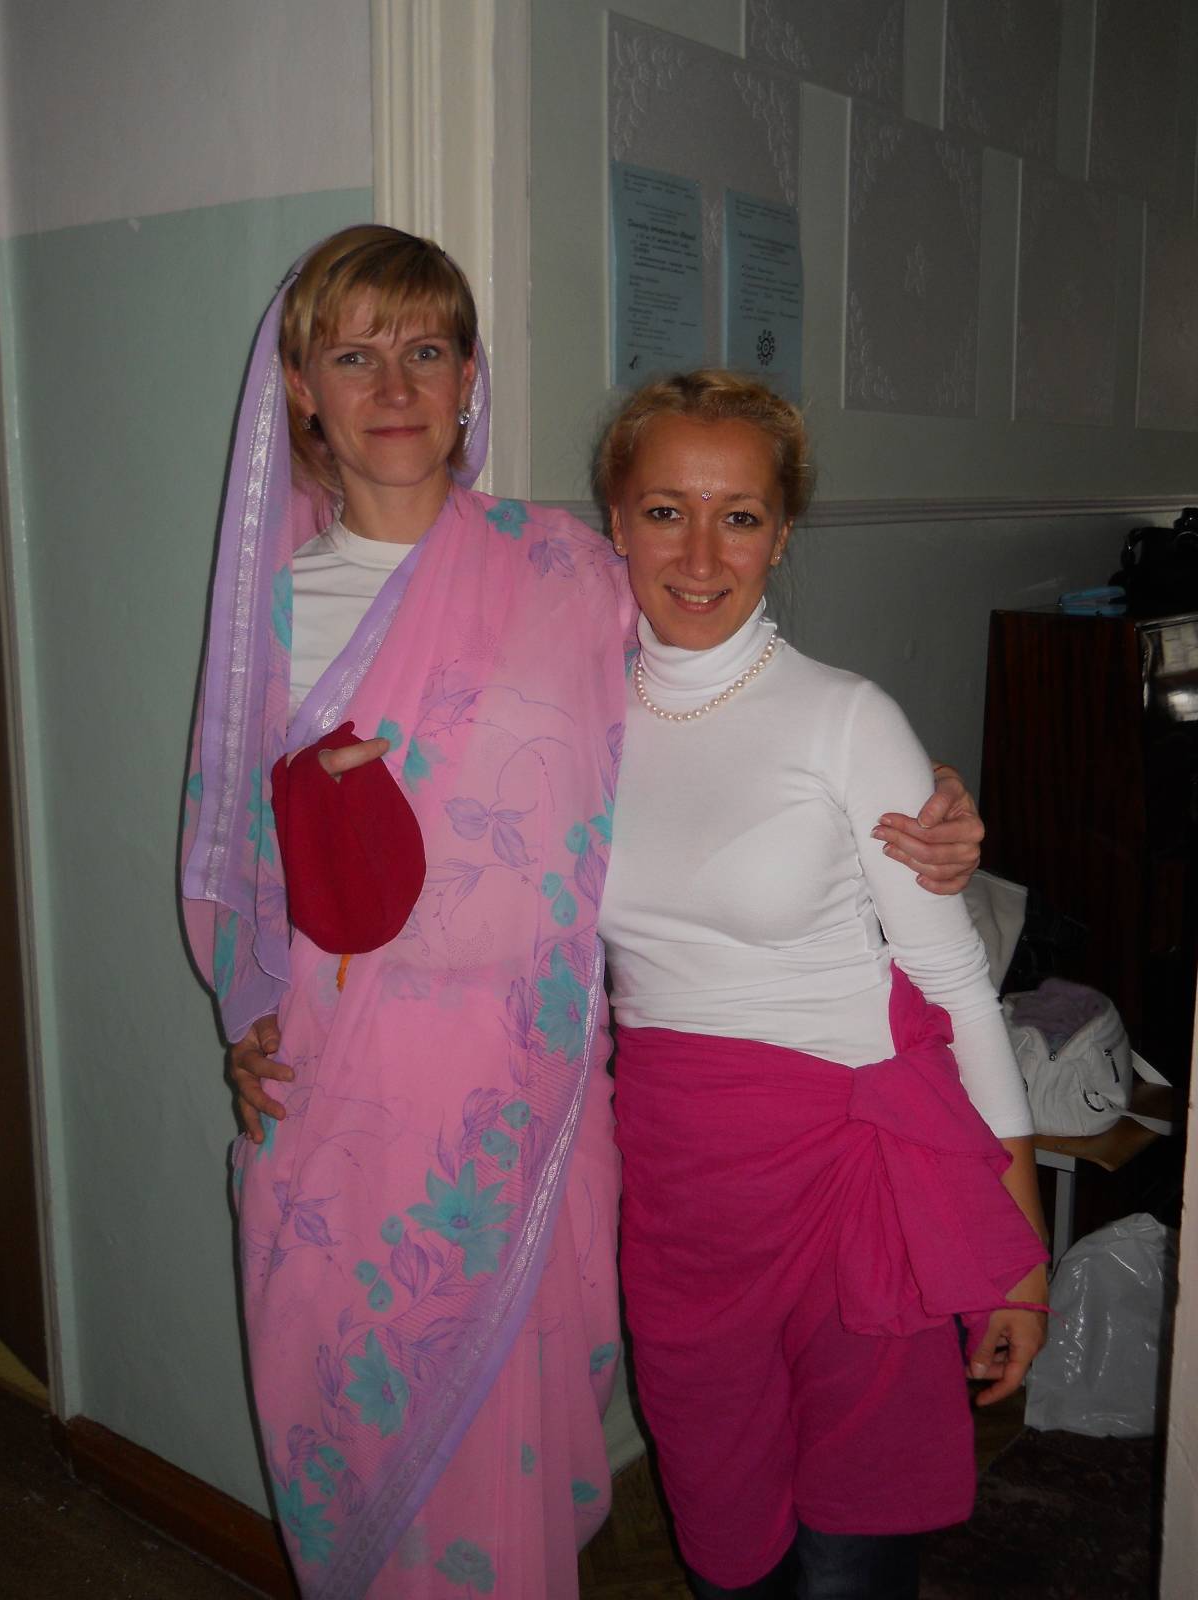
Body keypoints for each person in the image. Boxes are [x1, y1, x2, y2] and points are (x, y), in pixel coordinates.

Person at [183, 226, 989, 1600]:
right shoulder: (272, 608)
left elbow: (730, 684)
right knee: (363, 1446)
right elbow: (234, 851)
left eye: (425, 349)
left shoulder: (566, 568)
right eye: (355, 356)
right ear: (302, 389)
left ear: (469, 378)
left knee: (504, 1474)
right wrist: (249, 1009)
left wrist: (916, 802)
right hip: (340, 1111)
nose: (395, 385)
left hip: (530, 1097)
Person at [593, 371, 1049, 1600]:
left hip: (848, 1189)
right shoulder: (574, 715)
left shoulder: (846, 719)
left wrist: (1016, 1253)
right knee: (723, 1541)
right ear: (615, 520)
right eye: (665, 510)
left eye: (739, 516)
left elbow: (956, 984)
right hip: (680, 1202)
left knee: (849, 1559)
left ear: (782, 533)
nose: (700, 554)